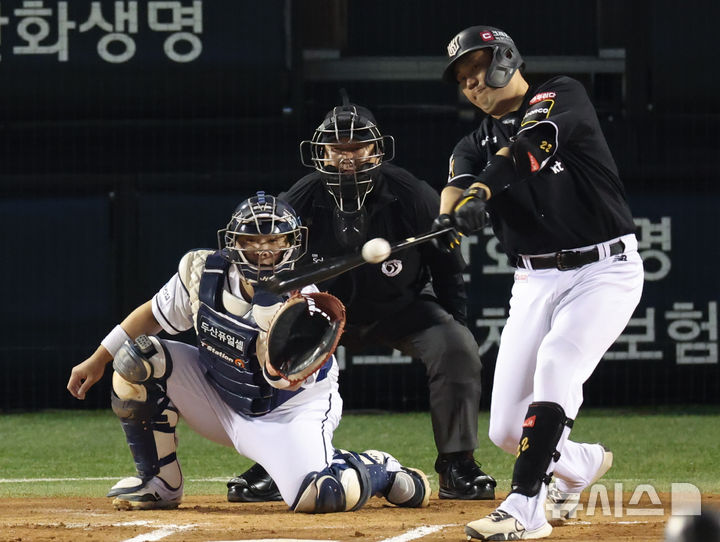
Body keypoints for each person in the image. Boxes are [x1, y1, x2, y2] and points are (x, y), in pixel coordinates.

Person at [66, 192, 430, 513]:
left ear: (292, 243)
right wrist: (99, 359)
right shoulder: (203, 272)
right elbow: (151, 315)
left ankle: (378, 468)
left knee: (322, 495)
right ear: (233, 242)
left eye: (274, 238)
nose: (264, 248)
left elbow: (280, 378)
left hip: (286, 412)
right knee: (136, 359)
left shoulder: (305, 303)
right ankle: (159, 483)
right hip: (218, 394)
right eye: (252, 239)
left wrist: (272, 315)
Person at [226, 94, 496, 503]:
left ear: (375, 149)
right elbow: (271, 270)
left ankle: (457, 466)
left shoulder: (412, 195)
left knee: (456, 346)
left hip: (402, 308)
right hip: (322, 314)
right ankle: (272, 464)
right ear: (322, 152)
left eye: (356, 147)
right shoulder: (298, 200)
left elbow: (446, 265)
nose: (346, 157)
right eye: (337, 148)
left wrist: (456, 320)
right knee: (275, 355)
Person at [433, 26, 644, 540]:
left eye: (476, 68)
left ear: (505, 58)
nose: (472, 84)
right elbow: (456, 184)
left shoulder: (561, 94)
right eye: (462, 79)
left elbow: (532, 146)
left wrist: (483, 190)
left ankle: (526, 508)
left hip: (604, 270)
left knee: (556, 365)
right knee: (506, 428)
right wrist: (446, 221)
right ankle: (581, 463)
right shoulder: (471, 143)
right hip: (533, 279)